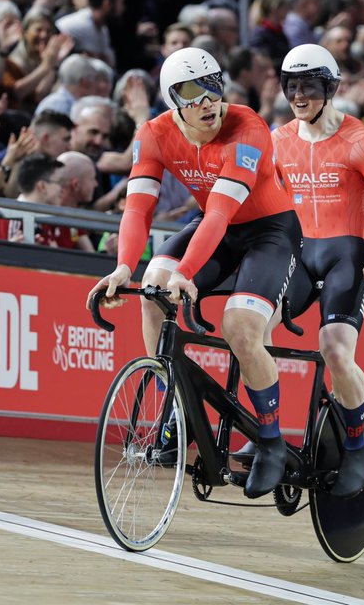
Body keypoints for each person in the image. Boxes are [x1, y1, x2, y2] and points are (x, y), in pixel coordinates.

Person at [87, 47, 301, 500]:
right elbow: (138, 208)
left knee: (240, 330)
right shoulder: (153, 134)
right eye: (191, 92)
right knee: (150, 289)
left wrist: (187, 272)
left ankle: (270, 440)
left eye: (213, 85)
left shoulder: (248, 128)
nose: (207, 101)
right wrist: (123, 266)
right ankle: (176, 407)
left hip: (267, 231)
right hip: (213, 227)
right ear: (171, 100)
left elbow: (222, 213)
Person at [269, 43, 364, 497]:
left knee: (335, 351)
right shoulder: (279, 139)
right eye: (292, 86)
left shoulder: (361, 141)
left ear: (329, 89)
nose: (299, 95)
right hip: (300, 251)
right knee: (249, 325)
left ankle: (355, 446)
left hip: (348, 253)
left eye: (308, 86)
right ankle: (267, 436)